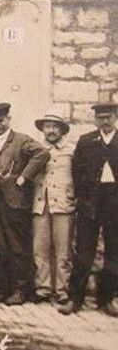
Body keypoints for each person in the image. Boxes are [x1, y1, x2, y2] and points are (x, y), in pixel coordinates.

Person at [0, 102, 50, 305]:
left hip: (13, 199)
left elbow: (42, 154)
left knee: (17, 245)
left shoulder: (21, 140)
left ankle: (22, 289)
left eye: (1, 121)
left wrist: (23, 178)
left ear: (8, 119)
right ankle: (2, 288)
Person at [59, 102, 118, 317]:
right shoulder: (86, 142)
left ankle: (107, 299)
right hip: (90, 202)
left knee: (114, 253)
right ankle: (75, 298)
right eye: (101, 117)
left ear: (115, 117)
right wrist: (82, 199)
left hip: (115, 202)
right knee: (84, 253)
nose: (105, 121)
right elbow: (77, 171)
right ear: (95, 119)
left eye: (109, 117)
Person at [31, 109, 75, 304]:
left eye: (55, 127)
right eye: (47, 126)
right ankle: (43, 287)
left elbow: (80, 176)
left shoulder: (71, 150)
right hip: (40, 203)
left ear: (62, 130)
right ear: (43, 129)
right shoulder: (35, 149)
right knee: (40, 249)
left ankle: (62, 289)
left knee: (63, 250)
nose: (51, 130)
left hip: (64, 204)